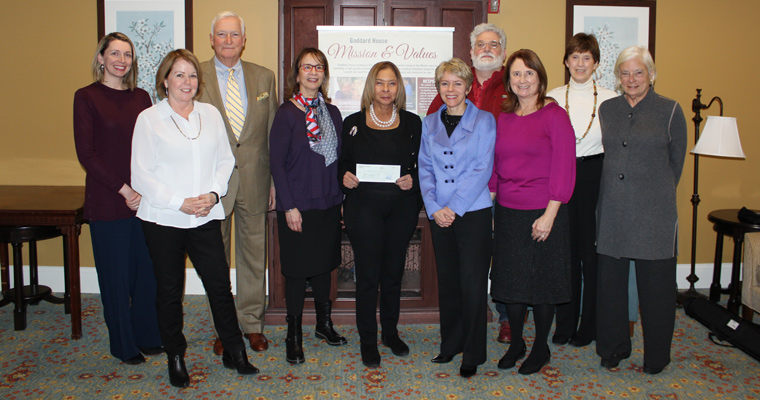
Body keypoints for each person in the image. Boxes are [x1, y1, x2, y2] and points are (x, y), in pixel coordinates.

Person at [131, 49, 259, 388]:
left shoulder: (211, 114)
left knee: (219, 285)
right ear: (165, 81)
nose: (186, 82)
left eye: (191, 75)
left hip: (205, 216)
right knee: (170, 290)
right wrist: (179, 202)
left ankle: (235, 351)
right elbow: (141, 174)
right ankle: (175, 356)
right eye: (179, 75)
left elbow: (225, 160)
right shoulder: (149, 119)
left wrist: (214, 194)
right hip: (163, 219)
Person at [595, 46, 686, 375]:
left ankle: (657, 357)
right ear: (617, 77)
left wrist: (649, 192)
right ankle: (613, 347)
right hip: (613, 211)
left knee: (657, 291)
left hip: (654, 215)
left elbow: (675, 164)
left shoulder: (671, 110)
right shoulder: (607, 109)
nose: (632, 79)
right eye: (625, 72)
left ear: (651, 74)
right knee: (611, 286)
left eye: (638, 72)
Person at [73, 32, 162, 365]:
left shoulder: (141, 97)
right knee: (116, 277)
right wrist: (125, 190)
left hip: (144, 202)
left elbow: (153, 147)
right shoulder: (86, 97)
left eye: (127, 54)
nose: (121, 60)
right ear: (101, 58)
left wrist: (147, 191)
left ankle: (148, 336)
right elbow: (87, 154)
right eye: (114, 54)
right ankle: (123, 345)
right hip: (109, 201)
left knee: (147, 274)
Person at [489, 49, 575, 375]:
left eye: (528, 73)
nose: (522, 80)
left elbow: (564, 167)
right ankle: (517, 344)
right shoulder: (504, 117)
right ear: (508, 81)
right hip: (509, 209)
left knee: (542, 283)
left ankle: (540, 346)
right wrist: (493, 203)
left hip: (544, 210)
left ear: (539, 77)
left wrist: (551, 214)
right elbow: (496, 165)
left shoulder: (555, 115)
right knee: (510, 282)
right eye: (516, 74)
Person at [198, 11, 278, 355]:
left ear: (244, 40)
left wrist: (275, 181)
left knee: (252, 256)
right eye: (221, 35)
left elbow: (273, 134)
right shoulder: (193, 75)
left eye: (234, 35)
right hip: (210, 184)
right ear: (211, 39)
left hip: (256, 180)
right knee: (215, 259)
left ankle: (251, 324)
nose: (228, 41)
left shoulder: (264, 77)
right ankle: (224, 327)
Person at [426, 23, 511, 343]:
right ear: (472, 50)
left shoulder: (513, 83)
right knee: (461, 271)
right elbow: (432, 137)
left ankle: (506, 317)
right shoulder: (456, 83)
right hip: (461, 197)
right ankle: (459, 331)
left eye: (494, 43)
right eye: (481, 44)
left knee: (502, 257)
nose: (487, 48)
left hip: (503, 188)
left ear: (502, 51)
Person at [339, 61, 422, 368]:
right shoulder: (353, 122)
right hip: (364, 210)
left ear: (399, 88)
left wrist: (413, 178)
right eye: (380, 83)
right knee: (368, 277)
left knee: (392, 275)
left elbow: (420, 166)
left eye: (391, 83)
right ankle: (367, 339)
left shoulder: (414, 123)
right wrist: (344, 176)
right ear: (371, 86)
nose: (386, 89)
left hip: (401, 209)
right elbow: (343, 163)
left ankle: (389, 332)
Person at [418, 58, 495, 378]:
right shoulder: (429, 123)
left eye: (457, 83)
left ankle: (473, 352)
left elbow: (483, 169)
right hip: (440, 215)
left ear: (467, 87)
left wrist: (454, 207)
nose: (450, 90)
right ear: (438, 88)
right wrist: (435, 207)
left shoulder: (485, 121)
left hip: (472, 213)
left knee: (473, 284)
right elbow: (424, 168)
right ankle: (450, 344)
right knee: (448, 284)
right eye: (444, 83)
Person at [269, 48, 347, 365]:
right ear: (297, 73)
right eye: (307, 67)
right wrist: (288, 207)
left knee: (324, 265)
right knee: (299, 271)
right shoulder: (286, 113)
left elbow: (340, 160)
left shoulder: (334, 113)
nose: (313, 72)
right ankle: (294, 335)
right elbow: (276, 163)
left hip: (328, 203)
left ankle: (324, 325)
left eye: (319, 67)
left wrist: (341, 199)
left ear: (324, 74)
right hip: (297, 205)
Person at [546, 33, 618, 347]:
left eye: (586, 57)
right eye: (574, 57)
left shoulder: (610, 98)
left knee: (592, 255)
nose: (580, 63)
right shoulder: (551, 96)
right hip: (560, 173)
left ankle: (589, 326)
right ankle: (564, 325)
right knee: (564, 254)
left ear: (596, 63)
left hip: (594, 175)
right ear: (566, 61)